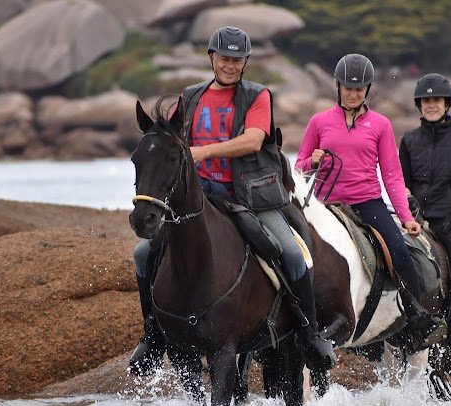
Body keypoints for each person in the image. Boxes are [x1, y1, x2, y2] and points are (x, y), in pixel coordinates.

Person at [130, 26, 335, 375]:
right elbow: (170, 142)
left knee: (290, 252)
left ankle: (309, 334)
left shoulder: (257, 96)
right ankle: (152, 336)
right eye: (224, 58)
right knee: (142, 255)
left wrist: (201, 152)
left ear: (245, 63)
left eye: (237, 60)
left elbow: (253, 141)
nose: (230, 65)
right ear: (212, 58)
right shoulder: (191, 98)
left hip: (248, 197)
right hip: (201, 198)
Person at [295, 53, 447, 349]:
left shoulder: (380, 125)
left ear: (368, 90)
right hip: (326, 204)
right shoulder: (319, 122)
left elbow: (391, 175)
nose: (353, 94)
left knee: (400, 252)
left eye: (359, 88)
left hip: (367, 203)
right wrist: (311, 161)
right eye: (348, 88)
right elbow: (299, 167)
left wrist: (405, 218)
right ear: (337, 87)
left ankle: (417, 316)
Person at [398, 73, 451, 350]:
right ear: (419, 105)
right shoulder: (408, 141)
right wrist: (409, 203)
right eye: (426, 101)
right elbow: (402, 181)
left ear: (447, 104)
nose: (431, 105)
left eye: (437, 100)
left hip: (448, 217)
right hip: (416, 217)